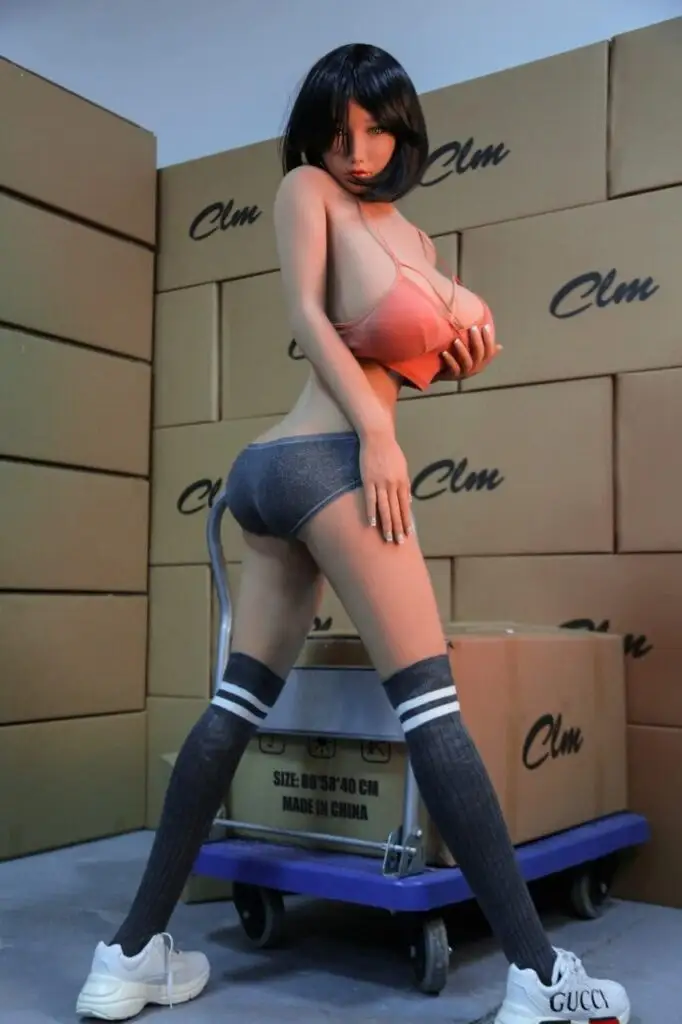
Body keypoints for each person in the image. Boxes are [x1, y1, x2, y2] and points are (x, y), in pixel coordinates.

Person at [76, 43, 631, 1024]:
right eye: (339, 133)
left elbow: (387, 352)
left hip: (289, 473)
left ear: (404, 130)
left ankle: (128, 957)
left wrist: (450, 363)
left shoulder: (412, 238)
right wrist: (377, 436)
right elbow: (306, 313)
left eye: (376, 130)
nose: (358, 151)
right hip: (324, 459)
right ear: (314, 137)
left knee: (237, 704)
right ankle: (541, 976)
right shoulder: (307, 192)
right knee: (432, 711)